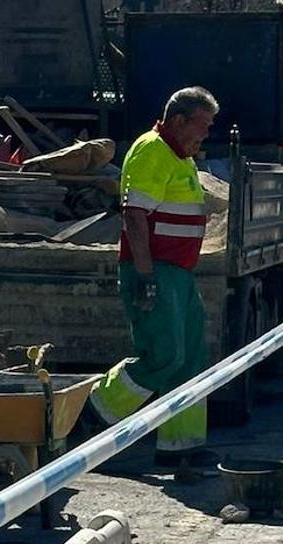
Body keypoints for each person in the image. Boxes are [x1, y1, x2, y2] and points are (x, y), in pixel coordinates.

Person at [85, 86, 218, 473]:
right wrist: (145, 275)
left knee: (189, 357)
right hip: (156, 269)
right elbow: (135, 216)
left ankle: (181, 446)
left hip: (177, 272)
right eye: (202, 125)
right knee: (164, 355)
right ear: (179, 121)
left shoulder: (178, 155)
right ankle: (98, 409)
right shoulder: (151, 151)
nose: (205, 134)